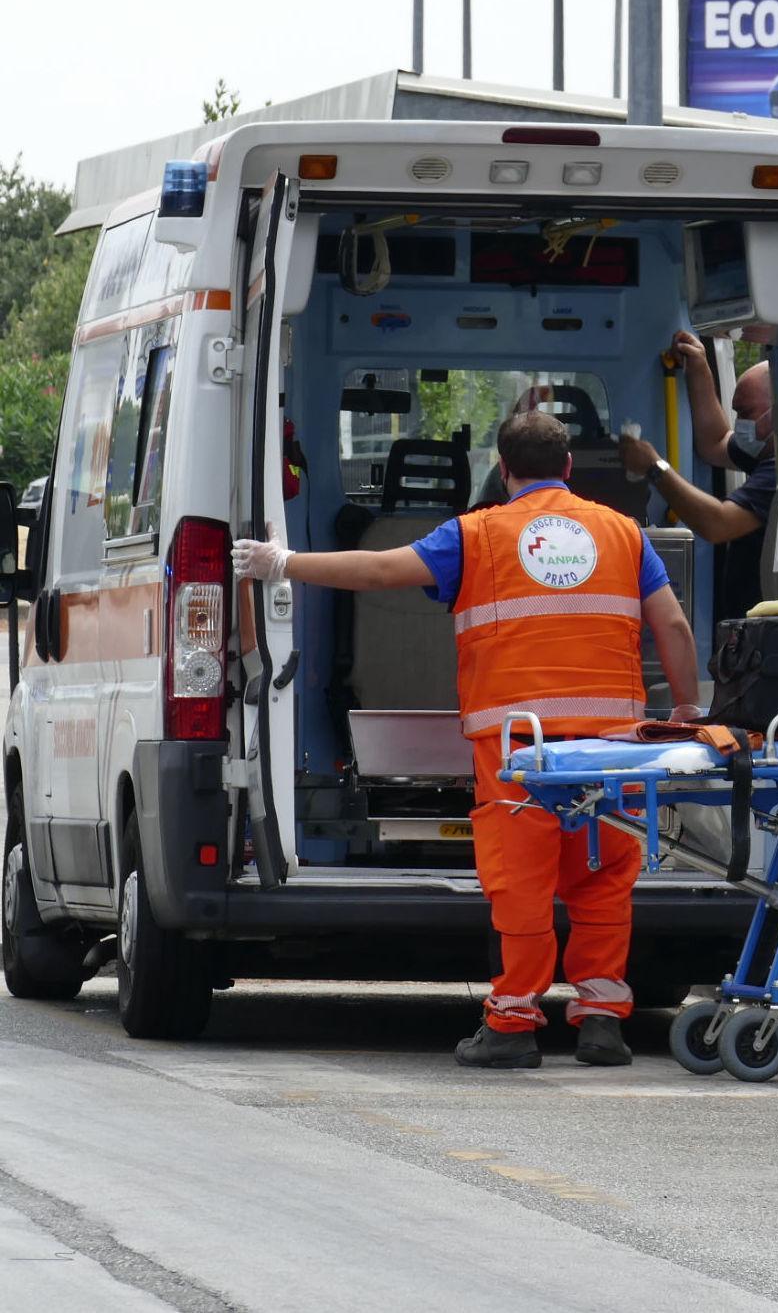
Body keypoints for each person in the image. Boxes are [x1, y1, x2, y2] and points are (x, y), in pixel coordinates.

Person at [231, 410, 701, 1069]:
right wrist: (686, 707)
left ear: (504, 471)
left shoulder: (475, 535)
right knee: (600, 880)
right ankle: (601, 1023)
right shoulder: (622, 534)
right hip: (609, 746)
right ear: (567, 468)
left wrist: (281, 562)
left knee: (522, 884)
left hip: (519, 752)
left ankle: (512, 1024)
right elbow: (673, 626)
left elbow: (375, 570)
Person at [619, 334, 777, 621]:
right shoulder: (763, 452)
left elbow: (718, 524)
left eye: (746, 412)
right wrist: (699, 369)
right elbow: (714, 442)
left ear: (777, 413)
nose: (739, 421)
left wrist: (655, 466)